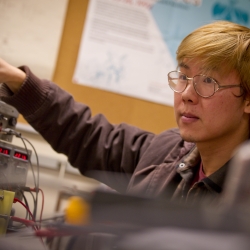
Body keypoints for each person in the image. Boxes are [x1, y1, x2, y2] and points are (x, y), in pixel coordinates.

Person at [0, 20, 249, 206]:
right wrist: (18, 81)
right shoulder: (167, 152)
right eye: (183, 76)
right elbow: (88, 136)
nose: (186, 94)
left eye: (207, 80)